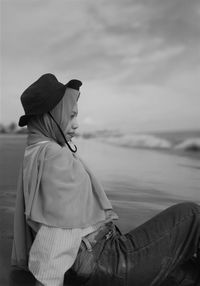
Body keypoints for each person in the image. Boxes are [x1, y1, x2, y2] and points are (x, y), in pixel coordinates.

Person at [10, 73, 200, 286]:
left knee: (185, 272)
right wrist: (47, 280)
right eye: (70, 116)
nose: (76, 125)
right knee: (192, 214)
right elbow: (57, 229)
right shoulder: (55, 157)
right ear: (50, 116)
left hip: (84, 262)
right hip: (108, 262)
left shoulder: (34, 151)